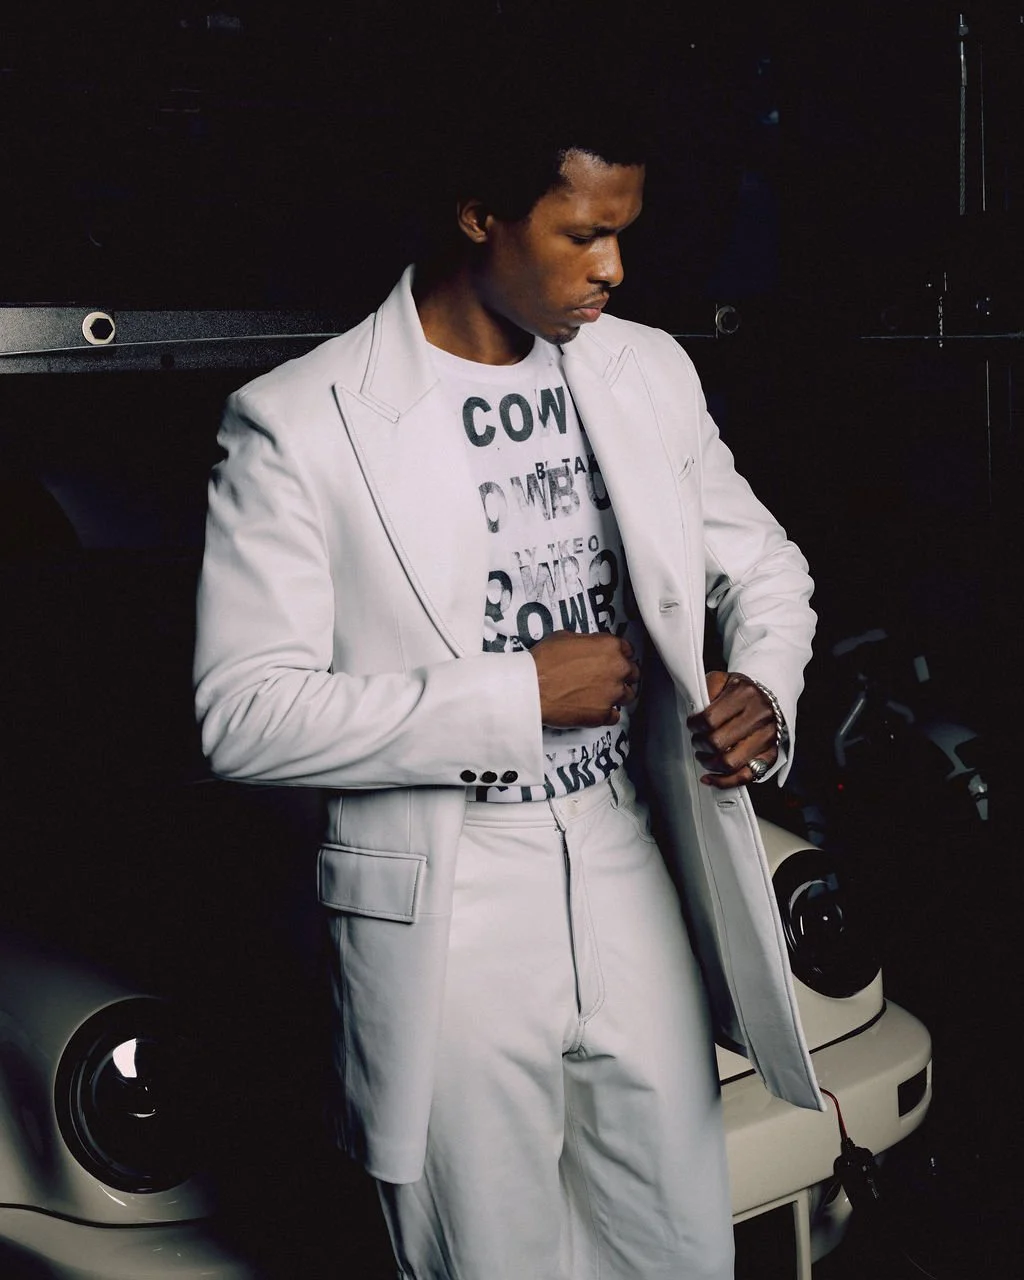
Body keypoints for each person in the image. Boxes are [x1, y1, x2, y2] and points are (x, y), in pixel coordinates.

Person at [193, 99, 822, 1280]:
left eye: (623, 232)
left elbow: (767, 566)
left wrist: (768, 690)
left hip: (628, 849)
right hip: (450, 898)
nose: (613, 267)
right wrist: (510, 695)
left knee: (678, 1242)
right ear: (478, 215)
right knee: (492, 1257)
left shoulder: (646, 367)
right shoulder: (299, 423)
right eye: (581, 234)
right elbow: (242, 713)